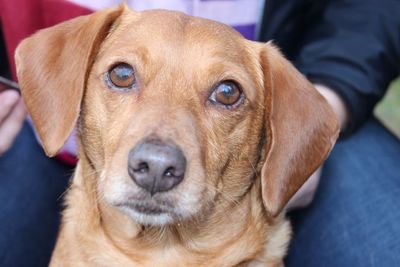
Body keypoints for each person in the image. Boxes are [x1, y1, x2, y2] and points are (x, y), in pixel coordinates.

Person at [0, 0, 399, 266]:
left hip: (305, 89)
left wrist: (320, 104)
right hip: (28, 126)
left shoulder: (277, 98)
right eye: (123, 76)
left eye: (226, 93)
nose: (157, 160)